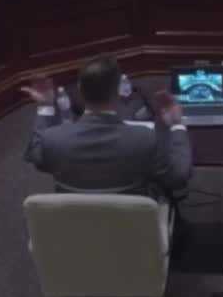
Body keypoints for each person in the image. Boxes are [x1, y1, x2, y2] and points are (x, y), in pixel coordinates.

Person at [23, 56, 191, 195]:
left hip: (74, 221)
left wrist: (45, 105)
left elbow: (36, 156)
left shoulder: (52, 139)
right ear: (118, 91)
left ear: (80, 89)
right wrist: (177, 125)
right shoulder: (147, 139)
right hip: (131, 222)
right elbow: (178, 177)